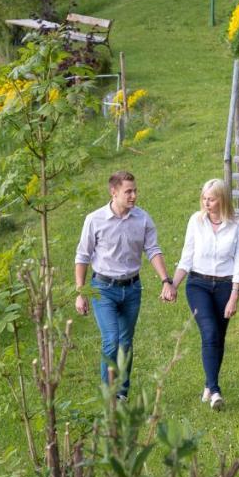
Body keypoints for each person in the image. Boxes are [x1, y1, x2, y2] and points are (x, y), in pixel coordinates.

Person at [74, 170, 174, 399]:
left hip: (132, 289)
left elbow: (153, 250)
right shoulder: (94, 220)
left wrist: (166, 281)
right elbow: (82, 257)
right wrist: (80, 293)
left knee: (125, 343)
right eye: (128, 191)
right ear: (114, 192)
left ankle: (122, 394)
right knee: (111, 341)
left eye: (135, 191)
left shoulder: (142, 219)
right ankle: (109, 396)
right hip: (103, 289)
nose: (133, 196)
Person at [170, 179, 239, 410]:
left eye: (211, 199)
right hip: (198, 284)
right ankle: (214, 391)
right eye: (204, 198)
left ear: (222, 199)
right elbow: (186, 257)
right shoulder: (196, 220)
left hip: (224, 287)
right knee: (210, 332)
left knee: (218, 338)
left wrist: (234, 296)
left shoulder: (237, 223)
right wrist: (172, 284)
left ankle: (208, 383)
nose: (206, 202)